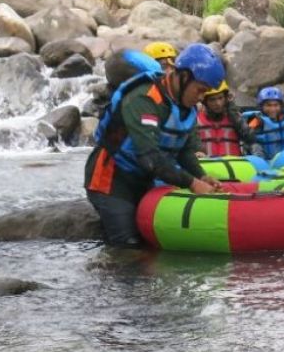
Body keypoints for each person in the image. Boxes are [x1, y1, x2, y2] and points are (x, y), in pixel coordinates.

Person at [85, 44, 225, 247]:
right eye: (200, 90)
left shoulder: (186, 106)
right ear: (183, 77)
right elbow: (150, 157)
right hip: (111, 180)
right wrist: (193, 184)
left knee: (153, 242)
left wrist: (200, 175)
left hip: (143, 179)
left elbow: (183, 149)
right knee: (129, 245)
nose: (202, 97)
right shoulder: (144, 98)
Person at [195, 80, 256, 157]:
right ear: (205, 102)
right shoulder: (196, 119)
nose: (218, 103)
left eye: (220, 98)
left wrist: (233, 112)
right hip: (208, 166)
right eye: (212, 100)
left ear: (226, 98)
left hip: (235, 166)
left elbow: (251, 137)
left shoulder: (234, 116)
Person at [247, 86, 284, 159]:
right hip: (266, 161)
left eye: (276, 105)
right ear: (261, 106)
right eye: (268, 105)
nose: (272, 109)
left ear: (281, 106)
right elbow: (246, 133)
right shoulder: (256, 120)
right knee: (254, 146)